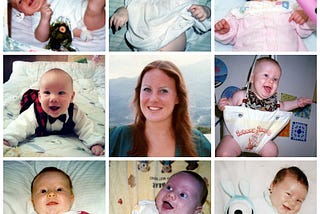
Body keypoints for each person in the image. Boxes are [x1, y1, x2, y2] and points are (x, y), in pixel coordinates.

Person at [110, 60, 211, 157]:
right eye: (147, 89)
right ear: (139, 94)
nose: (153, 98)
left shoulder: (198, 142)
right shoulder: (119, 137)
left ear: (178, 98)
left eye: (163, 91)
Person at [216, 57, 312, 157]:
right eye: (266, 75)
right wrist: (223, 105)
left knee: (272, 149)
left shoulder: (274, 104)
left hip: (260, 141)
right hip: (235, 138)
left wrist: (297, 103)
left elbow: (284, 105)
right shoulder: (241, 96)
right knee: (224, 152)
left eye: (275, 79)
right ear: (252, 78)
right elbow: (229, 106)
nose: (270, 81)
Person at [3, 68, 104, 156]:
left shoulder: (74, 112)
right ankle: (32, 92)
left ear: (72, 97)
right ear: (40, 97)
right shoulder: (34, 112)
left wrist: (95, 143)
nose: (53, 99)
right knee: (25, 98)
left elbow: (86, 127)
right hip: (34, 101)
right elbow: (20, 125)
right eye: (47, 92)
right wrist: (7, 139)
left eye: (61, 93)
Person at [109, 0, 211, 51]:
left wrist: (204, 11)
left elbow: (198, 9)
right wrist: (121, 12)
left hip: (172, 39)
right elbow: (130, 7)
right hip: (146, 45)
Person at [214, 0, 315, 51]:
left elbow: (304, 30)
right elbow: (230, 35)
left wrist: (305, 15)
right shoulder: (239, 11)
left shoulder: (289, 7)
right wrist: (225, 30)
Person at [8, 0, 105, 49]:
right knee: (93, 10)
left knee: (91, 7)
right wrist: (44, 19)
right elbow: (41, 37)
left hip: (83, 7)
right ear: (24, 13)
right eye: (20, 1)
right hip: (86, 22)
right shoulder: (38, 17)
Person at [132, 170, 208, 214]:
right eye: (169, 188)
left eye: (182, 195)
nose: (171, 194)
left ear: (195, 210)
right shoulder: (147, 209)